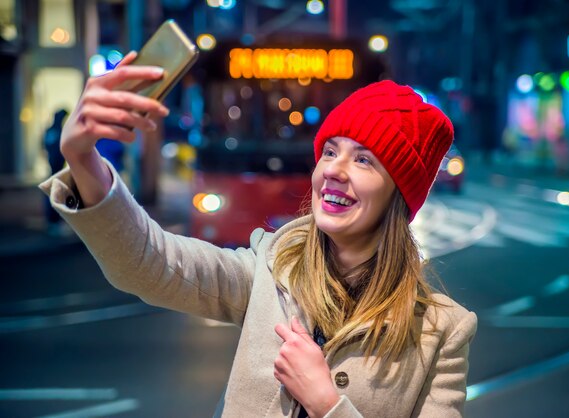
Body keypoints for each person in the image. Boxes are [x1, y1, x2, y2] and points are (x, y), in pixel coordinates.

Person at [40, 51, 477, 417]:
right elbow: (146, 262)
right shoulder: (270, 268)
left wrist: (328, 404)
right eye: (329, 151)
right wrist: (82, 159)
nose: (333, 172)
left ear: (398, 193)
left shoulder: (441, 332)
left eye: (364, 160)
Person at [42, 108, 68, 235]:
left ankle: (54, 222)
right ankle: (53, 222)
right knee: (54, 195)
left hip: (55, 167)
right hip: (55, 168)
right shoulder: (57, 131)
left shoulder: (52, 130)